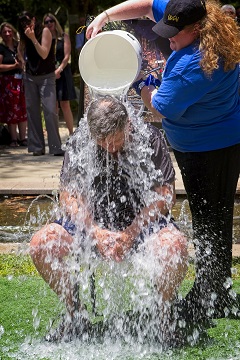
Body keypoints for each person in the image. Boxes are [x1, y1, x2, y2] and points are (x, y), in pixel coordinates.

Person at [86, 0, 240, 324]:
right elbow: (143, 6)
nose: (167, 40)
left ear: (196, 29)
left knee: (209, 221)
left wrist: (142, 83)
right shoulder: (194, 15)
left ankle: (208, 297)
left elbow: (158, 108)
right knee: (214, 218)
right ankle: (219, 290)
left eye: (174, 35)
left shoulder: (195, 63)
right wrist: (105, 17)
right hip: (215, 139)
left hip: (209, 149)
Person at [29, 96, 188, 343]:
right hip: (90, 224)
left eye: (115, 140)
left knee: (175, 246)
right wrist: (95, 231)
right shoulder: (80, 142)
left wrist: (132, 232)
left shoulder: (150, 138)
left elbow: (165, 197)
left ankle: (162, 317)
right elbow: (69, 196)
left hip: (143, 224)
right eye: (101, 142)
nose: (109, 147)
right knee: (41, 244)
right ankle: (75, 315)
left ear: (127, 125)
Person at [18, 11, 64, 156]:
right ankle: (37, 147)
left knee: (50, 111)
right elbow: (19, 49)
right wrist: (22, 61)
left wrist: (32, 38)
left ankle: (55, 147)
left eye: (28, 21)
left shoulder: (44, 31)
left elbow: (44, 53)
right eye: (23, 24)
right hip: (30, 76)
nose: (26, 25)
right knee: (32, 112)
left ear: (34, 19)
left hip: (46, 77)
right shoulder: (24, 34)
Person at [43, 13, 77, 136]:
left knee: (64, 104)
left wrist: (59, 70)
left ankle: (71, 133)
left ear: (55, 22)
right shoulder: (44, 39)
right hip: (49, 73)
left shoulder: (64, 36)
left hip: (62, 72)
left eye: (51, 21)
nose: (49, 23)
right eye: (46, 22)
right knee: (53, 105)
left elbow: (67, 56)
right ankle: (54, 135)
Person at [0, 22, 27, 147]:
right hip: (8, 82)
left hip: (21, 81)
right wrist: (14, 66)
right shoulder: (1, 48)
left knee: (22, 109)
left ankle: (23, 138)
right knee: (12, 110)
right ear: (1, 34)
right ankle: (13, 139)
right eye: (5, 32)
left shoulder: (18, 46)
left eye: (9, 31)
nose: (7, 34)